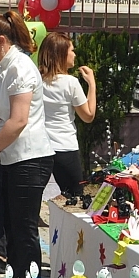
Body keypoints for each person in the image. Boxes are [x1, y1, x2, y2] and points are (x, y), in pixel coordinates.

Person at [0, 10, 54, 278]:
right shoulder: (3, 68)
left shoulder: (19, 66)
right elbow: (0, 116)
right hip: (12, 159)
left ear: (1, 40)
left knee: (24, 230)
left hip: (29, 159)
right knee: (12, 228)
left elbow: (18, 121)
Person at [38, 32, 96, 202]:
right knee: (76, 195)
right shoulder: (70, 82)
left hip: (41, 146)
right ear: (61, 54)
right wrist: (92, 84)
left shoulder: (37, 80)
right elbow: (88, 115)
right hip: (65, 147)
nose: (74, 54)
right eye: (71, 50)